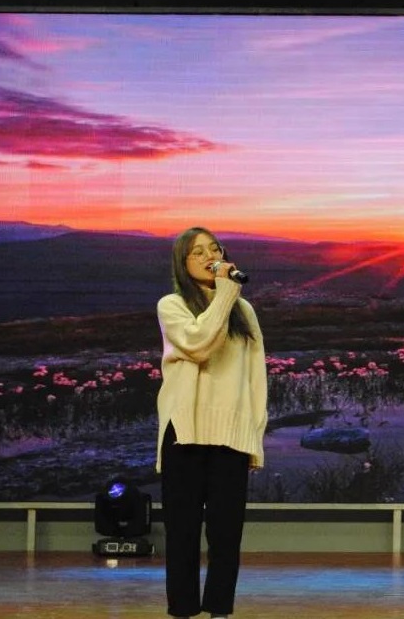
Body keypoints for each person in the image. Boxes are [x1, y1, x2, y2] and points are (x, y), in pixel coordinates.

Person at [155, 226, 268, 619]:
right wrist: (224, 295)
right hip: (184, 432)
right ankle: (183, 610)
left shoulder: (243, 311)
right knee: (182, 533)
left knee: (226, 534)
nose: (209, 257)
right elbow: (199, 344)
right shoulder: (172, 305)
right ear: (183, 263)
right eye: (198, 252)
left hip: (230, 435)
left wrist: (254, 435)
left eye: (214, 249)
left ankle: (219, 610)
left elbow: (255, 378)